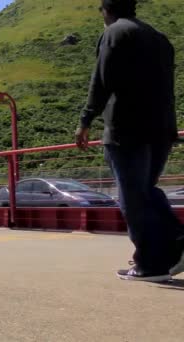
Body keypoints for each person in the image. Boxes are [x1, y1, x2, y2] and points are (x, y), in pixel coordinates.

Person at [76, 0, 184, 282]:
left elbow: (101, 80)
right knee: (146, 191)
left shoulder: (115, 33)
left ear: (106, 10)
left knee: (132, 198)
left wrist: (86, 120)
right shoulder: (158, 37)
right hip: (161, 129)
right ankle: (175, 242)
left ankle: (151, 264)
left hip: (127, 129)